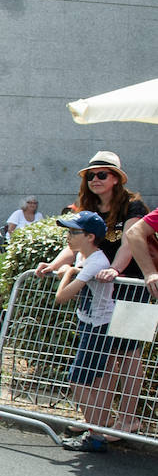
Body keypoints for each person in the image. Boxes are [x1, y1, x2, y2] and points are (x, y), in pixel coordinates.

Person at [38, 151, 148, 434]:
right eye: (91, 175)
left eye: (102, 174)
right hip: (104, 288)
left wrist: (114, 270)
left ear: (116, 179)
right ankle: (101, 420)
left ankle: (128, 418)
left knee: (130, 354)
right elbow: (73, 243)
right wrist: (53, 265)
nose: (95, 179)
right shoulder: (87, 206)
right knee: (109, 355)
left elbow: (130, 241)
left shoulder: (133, 206)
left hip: (131, 285)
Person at [53, 212, 118, 453]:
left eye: (73, 232)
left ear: (90, 237)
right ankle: (98, 430)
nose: (68, 237)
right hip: (89, 322)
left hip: (98, 326)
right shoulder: (85, 256)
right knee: (96, 381)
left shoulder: (95, 261)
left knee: (78, 379)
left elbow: (62, 297)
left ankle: (96, 433)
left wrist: (69, 272)